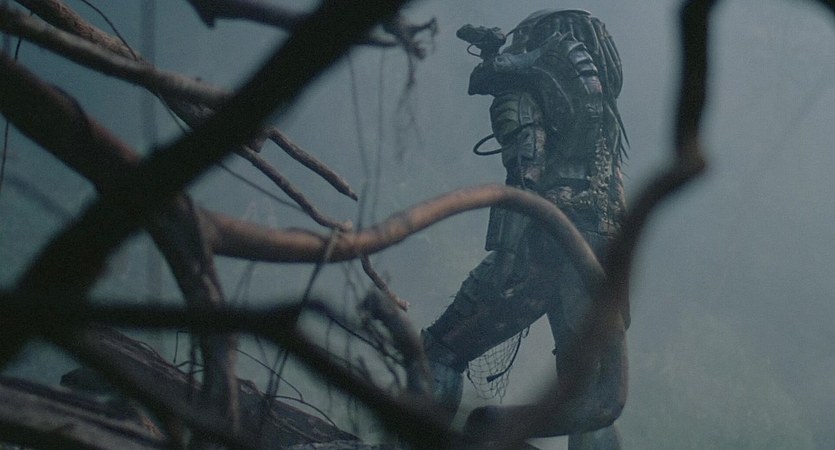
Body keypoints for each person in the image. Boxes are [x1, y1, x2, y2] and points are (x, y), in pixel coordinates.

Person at [422, 9, 629, 449]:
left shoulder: (521, 91)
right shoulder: (602, 112)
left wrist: (506, 257)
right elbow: (615, 194)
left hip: (544, 246)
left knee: (441, 350)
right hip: (601, 253)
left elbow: (525, 175)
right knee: (587, 394)